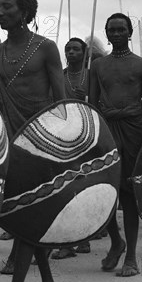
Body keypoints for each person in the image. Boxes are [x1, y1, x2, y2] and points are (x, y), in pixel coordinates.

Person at [0, 0, 65, 282]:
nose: (1, 12)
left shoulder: (46, 48)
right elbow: (0, 98)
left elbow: (62, 100)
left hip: (41, 141)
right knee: (25, 213)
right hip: (10, 142)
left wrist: (62, 142)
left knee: (28, 212)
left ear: (24, 12)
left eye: (8, 7)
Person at [89, 13, 142, 277]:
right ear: (106, 33)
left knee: (127, 194)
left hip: (135, 131)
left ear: (130, 33)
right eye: (111, 30)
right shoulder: (98, 66)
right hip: (106, 131)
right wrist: (93, 138)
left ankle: (131, 258)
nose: (116, 34)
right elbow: (92, 104)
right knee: (103, 192)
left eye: (121, 29)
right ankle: (116, 241)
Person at [51, 37, 91, 260]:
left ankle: (84, 238)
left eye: (76, 49)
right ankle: (68, 242)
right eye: (68, 49)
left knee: (85, 187)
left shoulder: (91, 75)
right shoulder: (60, 75)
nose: (71, 52)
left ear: (84, 53)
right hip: (65, 135)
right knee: (66, 188)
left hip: (88, 136)